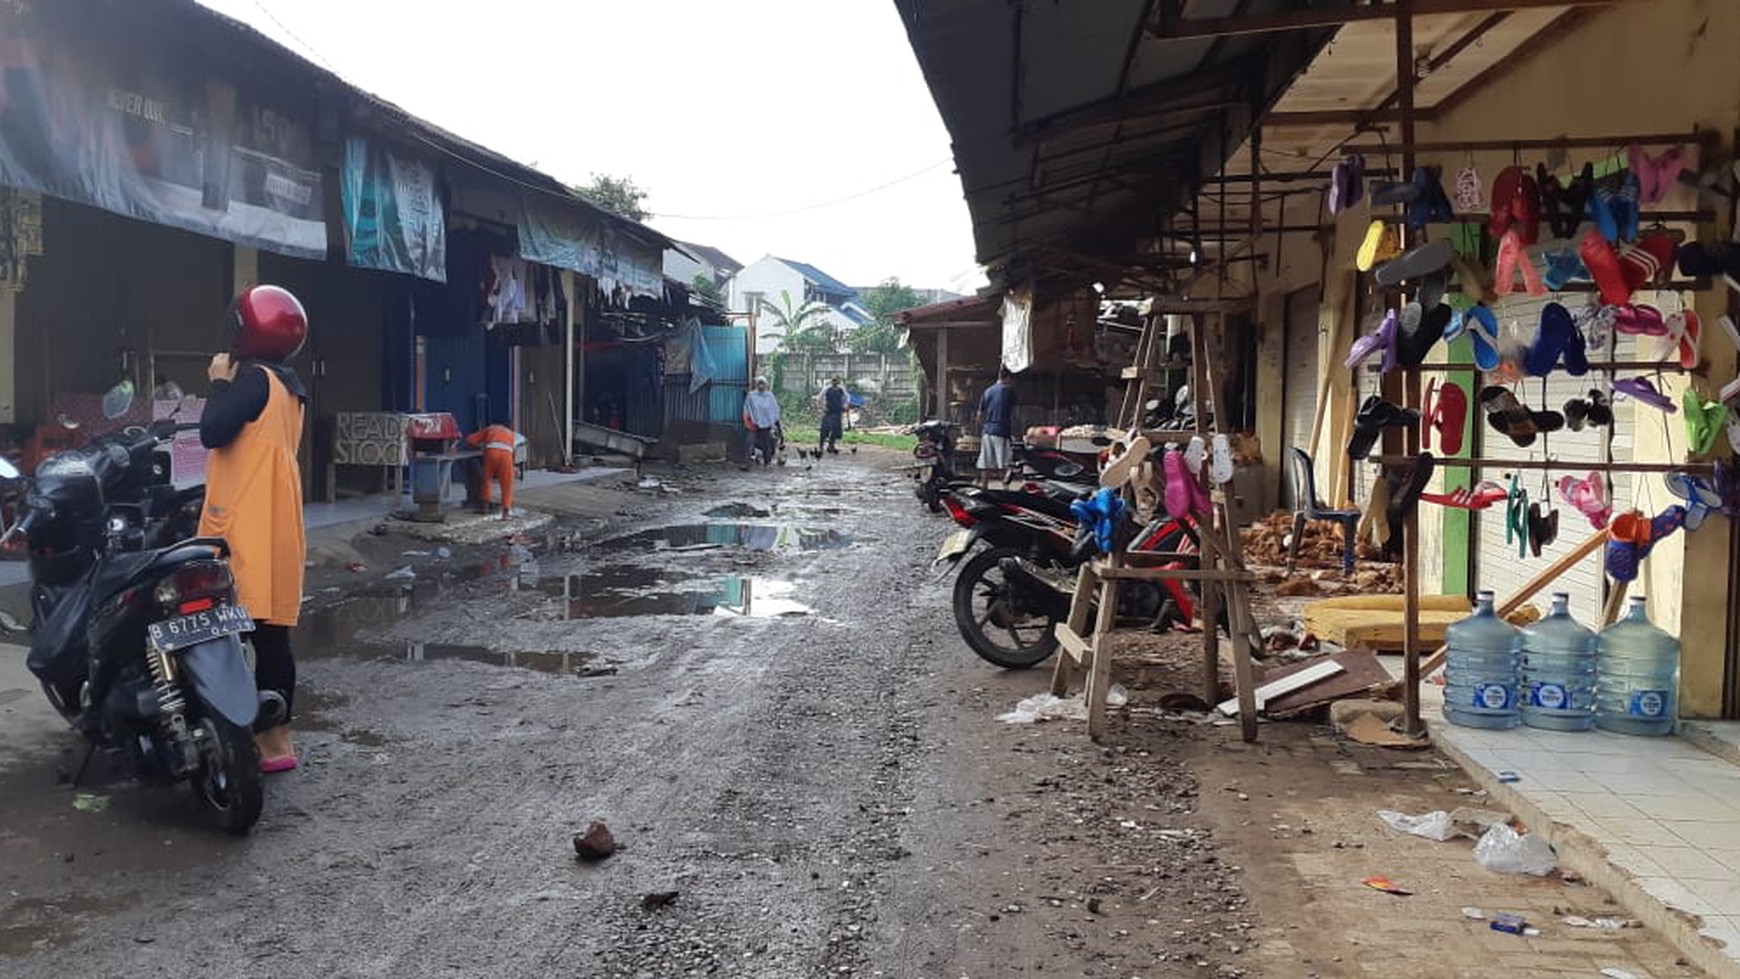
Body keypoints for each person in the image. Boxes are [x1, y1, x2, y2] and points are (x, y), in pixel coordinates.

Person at [198, 284, 308, 774]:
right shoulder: (289, 386)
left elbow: (212, 431)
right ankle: (277, 741)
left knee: (220, 626)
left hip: (245, 517)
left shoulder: (254, 379)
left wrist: (219, 381)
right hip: (278, 516)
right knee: (271, 633)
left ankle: (241, 733)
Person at [466, 419, 519, 519]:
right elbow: (513, 450)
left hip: (491, 452)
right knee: (507, 483)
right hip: (506, 455)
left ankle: (485, 508)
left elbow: (470, 440)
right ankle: (506, 512)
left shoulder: (490, 429)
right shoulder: (510, 433)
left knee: (487, 479)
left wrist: (480, 444)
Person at [976, 365, 1018, 488]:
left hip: (987, 432)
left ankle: (984, 489)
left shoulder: (987, 391)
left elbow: (979, 416)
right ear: (1008, 377)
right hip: (1001, 432)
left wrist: (986, 426)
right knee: (1003, 464)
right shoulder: (1009, 390)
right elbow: (1013, 413)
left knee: (985, 463)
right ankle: (1005, 491)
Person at [742, 375, 781, 467]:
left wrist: (773, 422)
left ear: (766, 385)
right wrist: (748, 421)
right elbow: (747, 409)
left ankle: (767, 462)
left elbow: (774, 409)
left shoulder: (770, 396)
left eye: (762, 384)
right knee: (749, 442)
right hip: (753, 424)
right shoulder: (751, 396)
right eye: (759, 384)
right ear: (756, 385)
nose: (761, 386)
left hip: (766, 424)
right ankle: (747, 463)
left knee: (766, 444)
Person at [818, 377, 848, 455]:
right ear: (831, 382)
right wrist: (822, 407)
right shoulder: (827, 389)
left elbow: (847, 398)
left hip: (837, 412)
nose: (835, 383)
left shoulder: (841, 389)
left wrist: (845, 405)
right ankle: (821, 446)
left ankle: (831, 446)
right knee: (824, 429)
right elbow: (819, 398)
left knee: (835, 430)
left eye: (836, 382)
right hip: (828, 411)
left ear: (838, 382)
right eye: (833, 381)